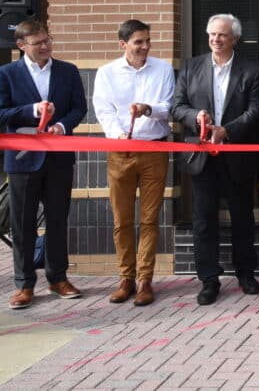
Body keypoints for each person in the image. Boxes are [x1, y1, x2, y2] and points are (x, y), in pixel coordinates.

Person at [172, 13, 259, 306]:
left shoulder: (252, 70)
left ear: (234, 38)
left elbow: (256, 111)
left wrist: (227, 130)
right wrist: (195, 116)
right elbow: (177, 107)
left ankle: (246, 273)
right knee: (203, 220)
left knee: (242, 217)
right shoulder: (191, 67)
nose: (216, 39)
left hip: (236, 154)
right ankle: (209, 279)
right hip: (202, 157)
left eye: (222, 35)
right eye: (212, 34)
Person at [0, 20, 87, 310]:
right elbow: (1, 113)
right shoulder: (7, 74)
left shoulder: (68, 71)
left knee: (58, 219)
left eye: (48, 40)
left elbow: (79, 108)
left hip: (58, 157)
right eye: (38, 43)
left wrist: (62, 126)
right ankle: (24, 285)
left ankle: (57, 278)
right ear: (21, 45)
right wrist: (31, 110)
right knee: (22, 224)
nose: (46, 46)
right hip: (23, 159)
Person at [92, 19, 175, 307]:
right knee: (122, 219)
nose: (145, 47)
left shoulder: (163, 69)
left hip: (154, 149)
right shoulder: (106, 73)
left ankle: (145, 280)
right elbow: (103, 111)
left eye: (148, 41)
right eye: (139, 42)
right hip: (120, 151)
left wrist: (148, 109)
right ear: (123, 44)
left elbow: (168, 107)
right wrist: (120, 137)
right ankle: (125, 277)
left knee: (150, 220)